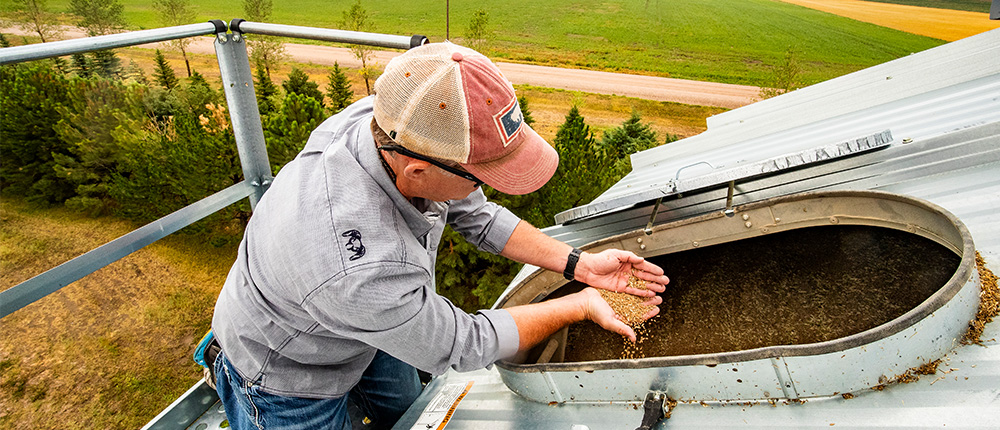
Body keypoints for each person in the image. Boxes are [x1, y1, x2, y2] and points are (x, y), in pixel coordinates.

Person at [211, 42, 669, 430]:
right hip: (291, 373)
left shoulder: (397, 120)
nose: (481, 188)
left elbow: (479, 217)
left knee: (410, 411)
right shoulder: (363, 271)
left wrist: (579, 264)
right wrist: (578, 304)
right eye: (477, 177)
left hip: (370, 325)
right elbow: (461, 344)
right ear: (418, 171)